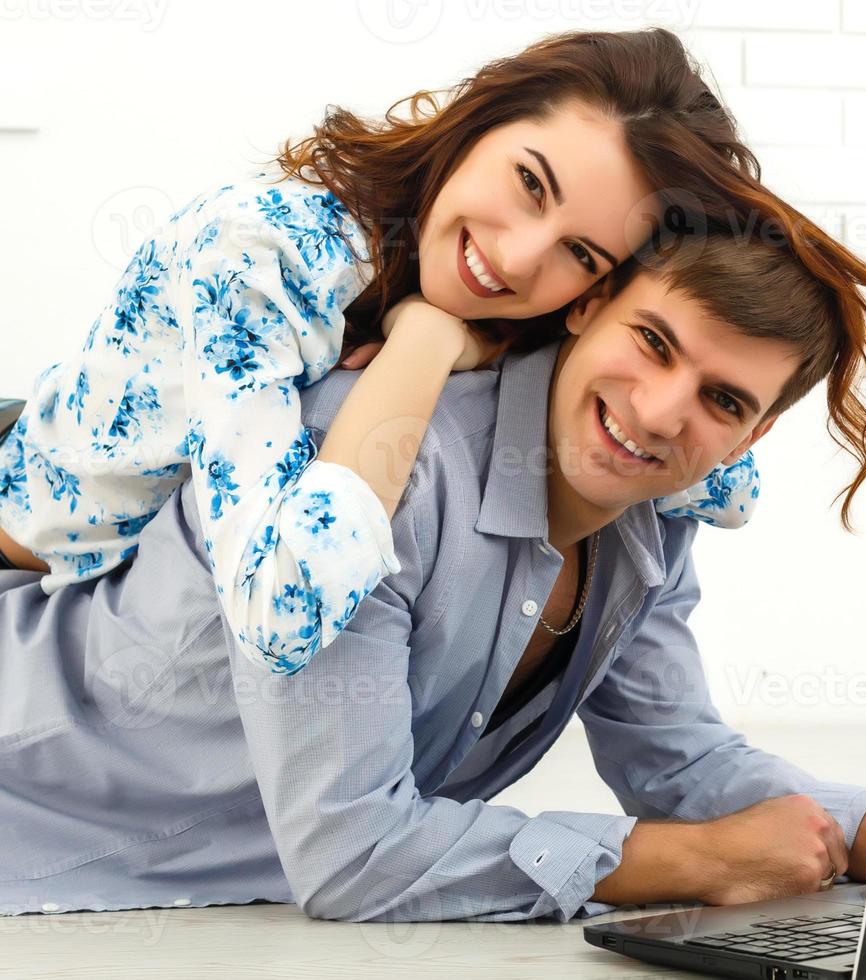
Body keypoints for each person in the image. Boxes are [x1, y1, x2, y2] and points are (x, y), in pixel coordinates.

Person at [0, 197, 866, 920]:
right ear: (590, 306)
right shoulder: (387, 462)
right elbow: (355, 855)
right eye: (651, 344)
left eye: (721, 401)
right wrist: (679, 863)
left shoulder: (655, 523)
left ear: (753, 433)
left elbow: (678, 760)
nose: (656, 412)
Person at [0, 27, 765, 679]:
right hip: (23, 531)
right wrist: (426, 344)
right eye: (530, 183)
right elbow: (279, 614)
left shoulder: (542, 318)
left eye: (582, 251)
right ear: (478, 120)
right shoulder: (264, 252)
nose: (521, 259)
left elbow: (729, 490)